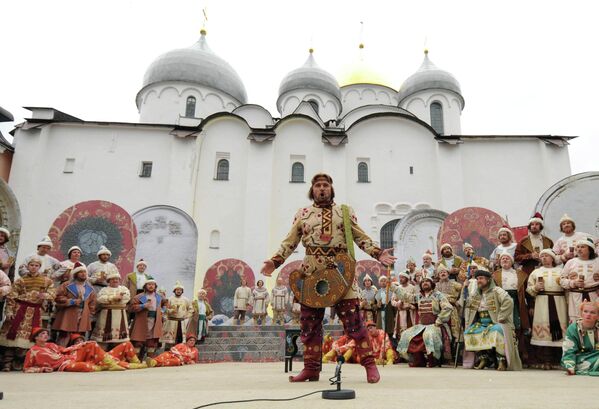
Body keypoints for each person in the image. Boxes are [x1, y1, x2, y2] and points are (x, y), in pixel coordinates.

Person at [261, 173, 395, 383]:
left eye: (325, 185)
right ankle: (311, 369)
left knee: (354, 321)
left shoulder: (344, 212)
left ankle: (369, 365)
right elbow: (290, 241)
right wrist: (275, 261)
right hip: (311, 272)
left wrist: (378, 254)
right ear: (312, 190)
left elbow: (360, 236)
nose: (322, 188)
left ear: (331, 189)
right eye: (317, 185)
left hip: (341, 271)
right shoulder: (303, 214)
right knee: (309, 323)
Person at [0, 256, 55, 371]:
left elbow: (53, 294)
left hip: (36, 312)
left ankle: (22, 362)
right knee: (12, 336)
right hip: (19, 310)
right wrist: (9, 311)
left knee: (30, 338)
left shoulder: (47, 281)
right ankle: (7, 363)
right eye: (31, 265)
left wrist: (44, 295)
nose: (34, 267)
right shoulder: (20, 280)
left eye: (36, 265)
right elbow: (11, 297)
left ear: (39, 267)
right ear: (27, 266)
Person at [462, 270, 522, 371]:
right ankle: (483, 359)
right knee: (469, 332)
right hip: (481, 323)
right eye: (477, 279)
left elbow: (509, 301)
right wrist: (465, 288)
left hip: (496, 322)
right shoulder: (476, 294)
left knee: (497, 331)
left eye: (481, 278)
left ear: (488, 280)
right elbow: (466, 304)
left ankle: (501, 361)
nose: (478, 281)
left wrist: (501, 317)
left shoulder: (497, 290)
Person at [396, 277, 453, 367]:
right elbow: (406, 296)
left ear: (432, 284)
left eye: (427, 281)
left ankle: (433, 360)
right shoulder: (419, 296)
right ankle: (419, 360)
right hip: (422, 325)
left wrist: (439, 320)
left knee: (429, 335)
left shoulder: (438, 295)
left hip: (435, 325)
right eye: (423, 282)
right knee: (406, 334)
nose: (425, 283)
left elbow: (448, 307)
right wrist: (393, 287)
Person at [527, 249, 568, 369]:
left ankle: (558, 360)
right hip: (542, 302)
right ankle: (546, 360)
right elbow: (529, 290)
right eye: (542, 256)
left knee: (560, 330)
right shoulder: (536, 272)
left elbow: (566, 287)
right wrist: (535, 287)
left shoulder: (561, 271)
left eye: (546, 256)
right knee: (545, 332)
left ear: (552, 258)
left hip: (559, 302)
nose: (544, 258)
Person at [23, 327, 124, 372]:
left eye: (46, 334)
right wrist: (42, 369)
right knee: (85, 366)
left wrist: (80, 345)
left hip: (70, 357)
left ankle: (111, 364)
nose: (45, 336)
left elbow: (66, 349)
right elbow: (26, 368)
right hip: (63, 365)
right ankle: (106, 366)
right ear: (35, 337)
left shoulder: (51, 345)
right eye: (42, 334)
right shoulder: (32, 351)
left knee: (91, 344)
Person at [492, 252, 530, 364]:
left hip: (516, 302)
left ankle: (517, 355)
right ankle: (502, 356)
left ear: (512, 262)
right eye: (502, 258)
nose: (504, 260)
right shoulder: (495, 275)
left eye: (507, 258)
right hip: (501, 303)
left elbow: (526, 291)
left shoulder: (520, 274)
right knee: (502, 326)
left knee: (517, 326)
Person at [52, 262, 96, 346]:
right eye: (81, 272)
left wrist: (89, 316)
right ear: (75, 274)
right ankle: (62, 353)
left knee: (79, 338)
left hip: (82, 317)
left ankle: (76, 355)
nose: (83, 274)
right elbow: (58, 297)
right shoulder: (66, 285)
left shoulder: (90, 288)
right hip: (68, 316)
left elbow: (92, 304)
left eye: (85, 272)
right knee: (64, 337)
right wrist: (72, 301)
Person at [560, 237, 599, 323]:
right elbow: (562, 281)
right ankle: (576, 336)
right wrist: (573, 283)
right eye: (578, 247)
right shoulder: (571, 262)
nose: (579, 249)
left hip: (593, 296)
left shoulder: (597, 262)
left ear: (590, 249)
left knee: (594, 321)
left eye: (582, 247)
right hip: (575, 297)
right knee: (576, 321)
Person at [129, 279, 167, 358]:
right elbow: (131, 308)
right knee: (138, 341)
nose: (151, 286)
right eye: (149, 284)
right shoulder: (139, 296)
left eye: (152, 284)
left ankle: (150, 360)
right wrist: (143, 306)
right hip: (141, 321)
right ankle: (136, 361)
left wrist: (162, 311)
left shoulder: (159, 296)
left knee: (152, 342)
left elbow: (165, 303)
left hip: (155, 322)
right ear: (145, 286)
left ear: (155, 286)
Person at [91, 270, 130, 346]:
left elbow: (127, 298)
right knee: (103, 340)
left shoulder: (124, 289)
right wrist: (113, 298)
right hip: (105, 315)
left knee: (119, 341)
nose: (115, 280)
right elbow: (100, 299)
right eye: (113, 279)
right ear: (109, 281)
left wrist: (119, 299)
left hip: (120, 315)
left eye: (117, 279)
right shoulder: (104, 290)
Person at [561, 300, 599, 375]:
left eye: (592, 312)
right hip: (581, 359)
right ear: (581, 313)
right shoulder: (573, 328)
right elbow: (569, 351)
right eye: (585, 311)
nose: (588, 314)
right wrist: (570, 367)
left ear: (598, 316)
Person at [70, 332, 146, 369]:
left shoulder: (87, 345)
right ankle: (142, 365)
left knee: (127, 344)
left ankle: (138, 362)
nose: (80, 342)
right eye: (77, 341)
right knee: (118, 363)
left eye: (81, 340)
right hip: (99, 361)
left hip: (105, 355)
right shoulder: (74, 351)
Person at [161, 281, 193, 348]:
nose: (179, 291)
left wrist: (186, 316)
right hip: (171, 322)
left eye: (180, 290)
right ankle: (168, 355)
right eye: (177, 290)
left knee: (180, 339)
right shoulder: (169, 299)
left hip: (181, 322)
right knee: (169, 341)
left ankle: (179, 354)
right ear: (174, 290)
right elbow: (165, 310)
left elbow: (191, 309)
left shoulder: (186, 300)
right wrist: (171, 311)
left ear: (182, 291)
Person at [436, 265, 463, 341]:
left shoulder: (455, 284)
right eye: (440, 273)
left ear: (448, 274)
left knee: (455, 329)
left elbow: (464, 291)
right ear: (438, 275)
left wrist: (458, 301)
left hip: (452, 309)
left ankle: (457, 347)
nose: (443, 274)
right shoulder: (435, 286)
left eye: (444, 272)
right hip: (440, 310)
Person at [391, 271, 416, 340]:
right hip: (401, 312)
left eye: (403, 277)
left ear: (407, 278)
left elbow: (416, 300)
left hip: (410, 312)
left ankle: (412, 348)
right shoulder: (397, 288)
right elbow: (392, 301)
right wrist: (398, 303)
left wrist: (410, 305)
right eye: (400, 277)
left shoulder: (412, 288)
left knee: (411, 330)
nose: (401, 279)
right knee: (401, 331)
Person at [375, 275, 396, 341]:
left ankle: (390, 346)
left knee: (390, 331)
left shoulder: (392, 292)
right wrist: (377, 306)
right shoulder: (377, 293)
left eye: (385, 281)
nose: (383, 282)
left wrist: (395, 315)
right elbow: (373, 306)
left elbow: (394, 305)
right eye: (381, 281)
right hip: (380, 314)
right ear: (379, 283)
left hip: (389, 314)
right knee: (381, 332)